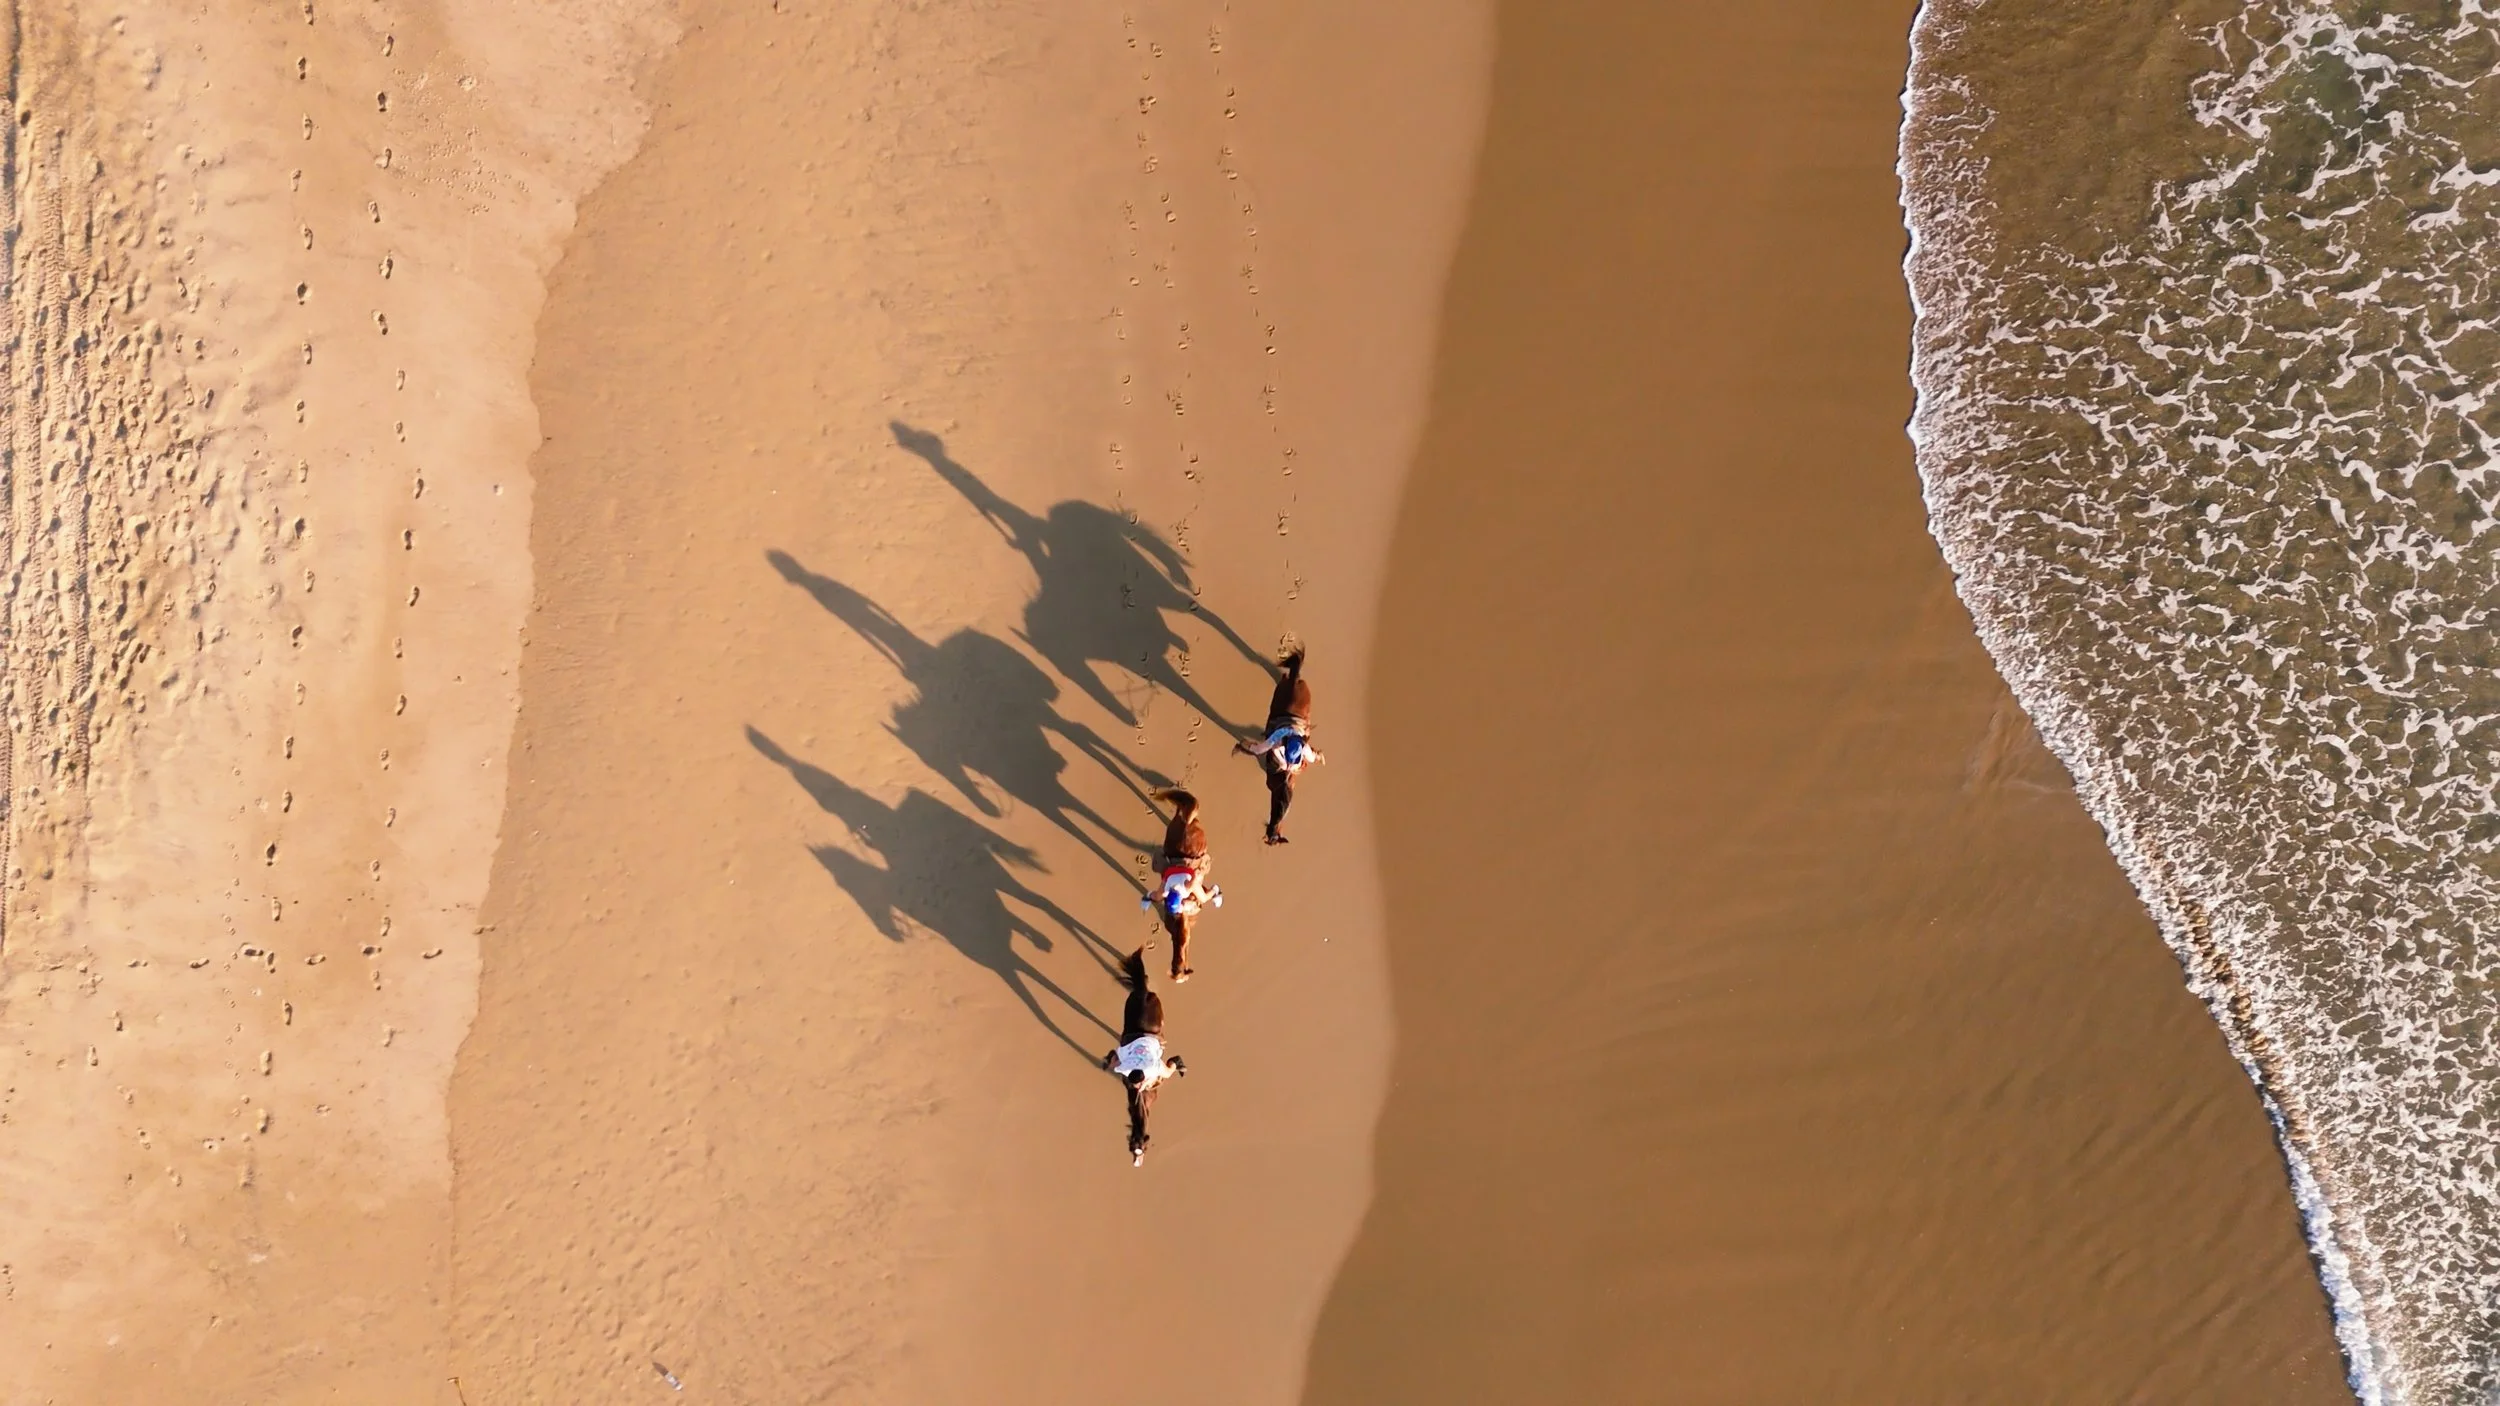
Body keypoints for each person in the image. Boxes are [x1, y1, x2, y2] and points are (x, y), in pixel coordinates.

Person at [1104, 949, 1186, 1164]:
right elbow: (1115, 1061)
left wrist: (1175, 1065)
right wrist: (1110, 1060)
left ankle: (1178, 1057)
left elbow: (1166, 1069)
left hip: (1145, 1045)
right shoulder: (1128, 1069)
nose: (1138, 1088)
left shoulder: (1152, 1069)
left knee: (1164, 1065)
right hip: (1137, 1042)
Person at [1235, 647, 1323, 844]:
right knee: (1291, 769)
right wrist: (1319, 757)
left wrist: (1244, 747)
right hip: (1290, 750)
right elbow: (1312, 756)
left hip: (1288, 735)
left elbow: (1258, 748)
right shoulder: (1300, 749)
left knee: (1281, 754)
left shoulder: (1276, 742)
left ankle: (1289, 681)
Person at [1142, 789, 1221, 981]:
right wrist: (1148, 897)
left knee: (1199, 877)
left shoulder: (1182, 888)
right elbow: (1159, 894)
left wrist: (1212, 895)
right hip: (1176, 877)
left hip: (1183, 879)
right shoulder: (1171, 887)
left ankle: (1182, 814)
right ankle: (1184, 816)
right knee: (1198, 879)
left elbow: (1159, 894)